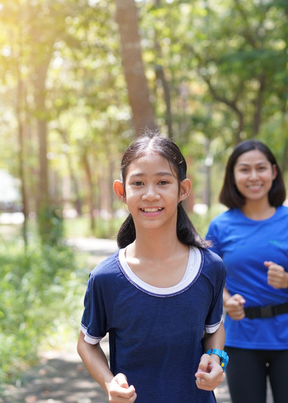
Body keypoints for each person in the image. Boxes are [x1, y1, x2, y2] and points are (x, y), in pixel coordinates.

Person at [77, 131, 228, 402]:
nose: (150, 194)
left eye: (162, 182)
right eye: (138, 183)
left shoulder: (210, 268)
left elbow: (213, 327)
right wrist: (110, 383)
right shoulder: (106, 277)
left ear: (183, 190)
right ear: (121, 192)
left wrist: (217, 359)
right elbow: (87, 343)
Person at [205, 140, 288, 403]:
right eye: (245, 169)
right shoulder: (220, 226)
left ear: (274, 172)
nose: (254, 176)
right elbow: (210, 278)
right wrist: (226, 301)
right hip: (240, 339)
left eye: (261, 168)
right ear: (233, 176)